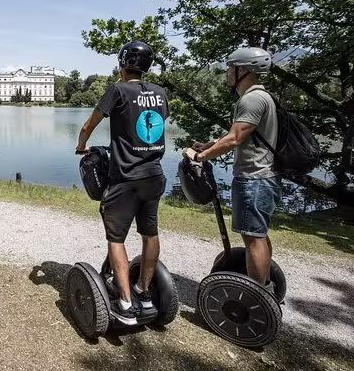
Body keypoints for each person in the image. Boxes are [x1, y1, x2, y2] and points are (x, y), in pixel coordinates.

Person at [75, 41, 169, 325]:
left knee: (116, 238)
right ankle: (143, 291)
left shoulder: (117, 90)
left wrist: (82, 146)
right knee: (149, 233)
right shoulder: (161, 93)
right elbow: (150, 124)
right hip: (154, 174)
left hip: (125, 177)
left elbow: (89, 124)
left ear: (122, 64)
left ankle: (126, 304)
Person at [183, 46, 280, 289]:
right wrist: (210, 144)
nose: (227, 72)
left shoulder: (252, 99)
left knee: (253, 238)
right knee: (257, 234)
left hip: (254, 178)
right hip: (262, 176)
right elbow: (239, 135)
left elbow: (235, 138)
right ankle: (264, 285)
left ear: (243, 70)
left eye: (231, 67)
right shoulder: (261, 96)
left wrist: (201, 156)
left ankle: (257, 296)